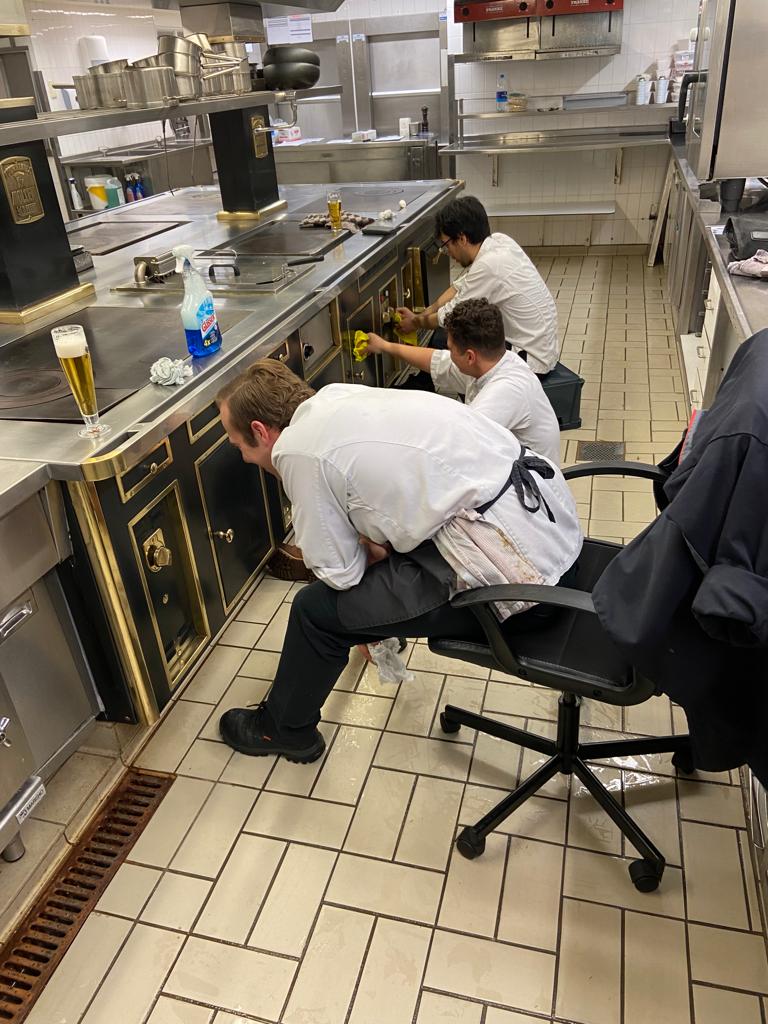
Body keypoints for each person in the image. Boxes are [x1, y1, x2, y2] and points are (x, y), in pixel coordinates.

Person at [215, 359, 582, 763]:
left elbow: (339, 574)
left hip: (518, 584)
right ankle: (387, 625)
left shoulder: (296, 452)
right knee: (375, 570)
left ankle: (283, 731)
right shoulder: (337, 398)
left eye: (239, 448)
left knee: (314, 613)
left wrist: (365, 551)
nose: (246, 459)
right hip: (551, 533)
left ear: (259, 432)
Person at [365, 297, 561, 466]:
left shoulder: (506, 390)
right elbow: (436, 361)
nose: (448, 353)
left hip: (532, 492)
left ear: (469, 357)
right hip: (507, 465)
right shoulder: (494, 361)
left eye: (451, 349)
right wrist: (385, 346)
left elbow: (459, 447)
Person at [397, 195, 559, 378]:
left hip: (530, 360)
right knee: (446, 337)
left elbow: (449, 315)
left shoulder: (489, 265)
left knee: (452, 340)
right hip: (541, 347)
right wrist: (422, 314)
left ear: (462, 239)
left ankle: (434, 391)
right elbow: (459, 288)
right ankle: (426, 385)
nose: (447, 252)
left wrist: (415, 323)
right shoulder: (499, 241)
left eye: (446, 244)